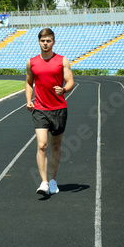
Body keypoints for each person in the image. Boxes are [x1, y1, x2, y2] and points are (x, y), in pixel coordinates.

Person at [26, 28, 74, 196]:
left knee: (56, 146)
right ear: (38, 42)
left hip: (59, 109)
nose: (45, 43)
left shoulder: (62, 60)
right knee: (42, 145)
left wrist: (64, 89)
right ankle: (44, 182)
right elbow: (28, 82)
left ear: (53, 42)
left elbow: (70, 81)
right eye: (42, 41)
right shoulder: (32, 62)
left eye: (48, 41)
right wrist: (28, 100)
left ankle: (53, 179)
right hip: (40, 109)